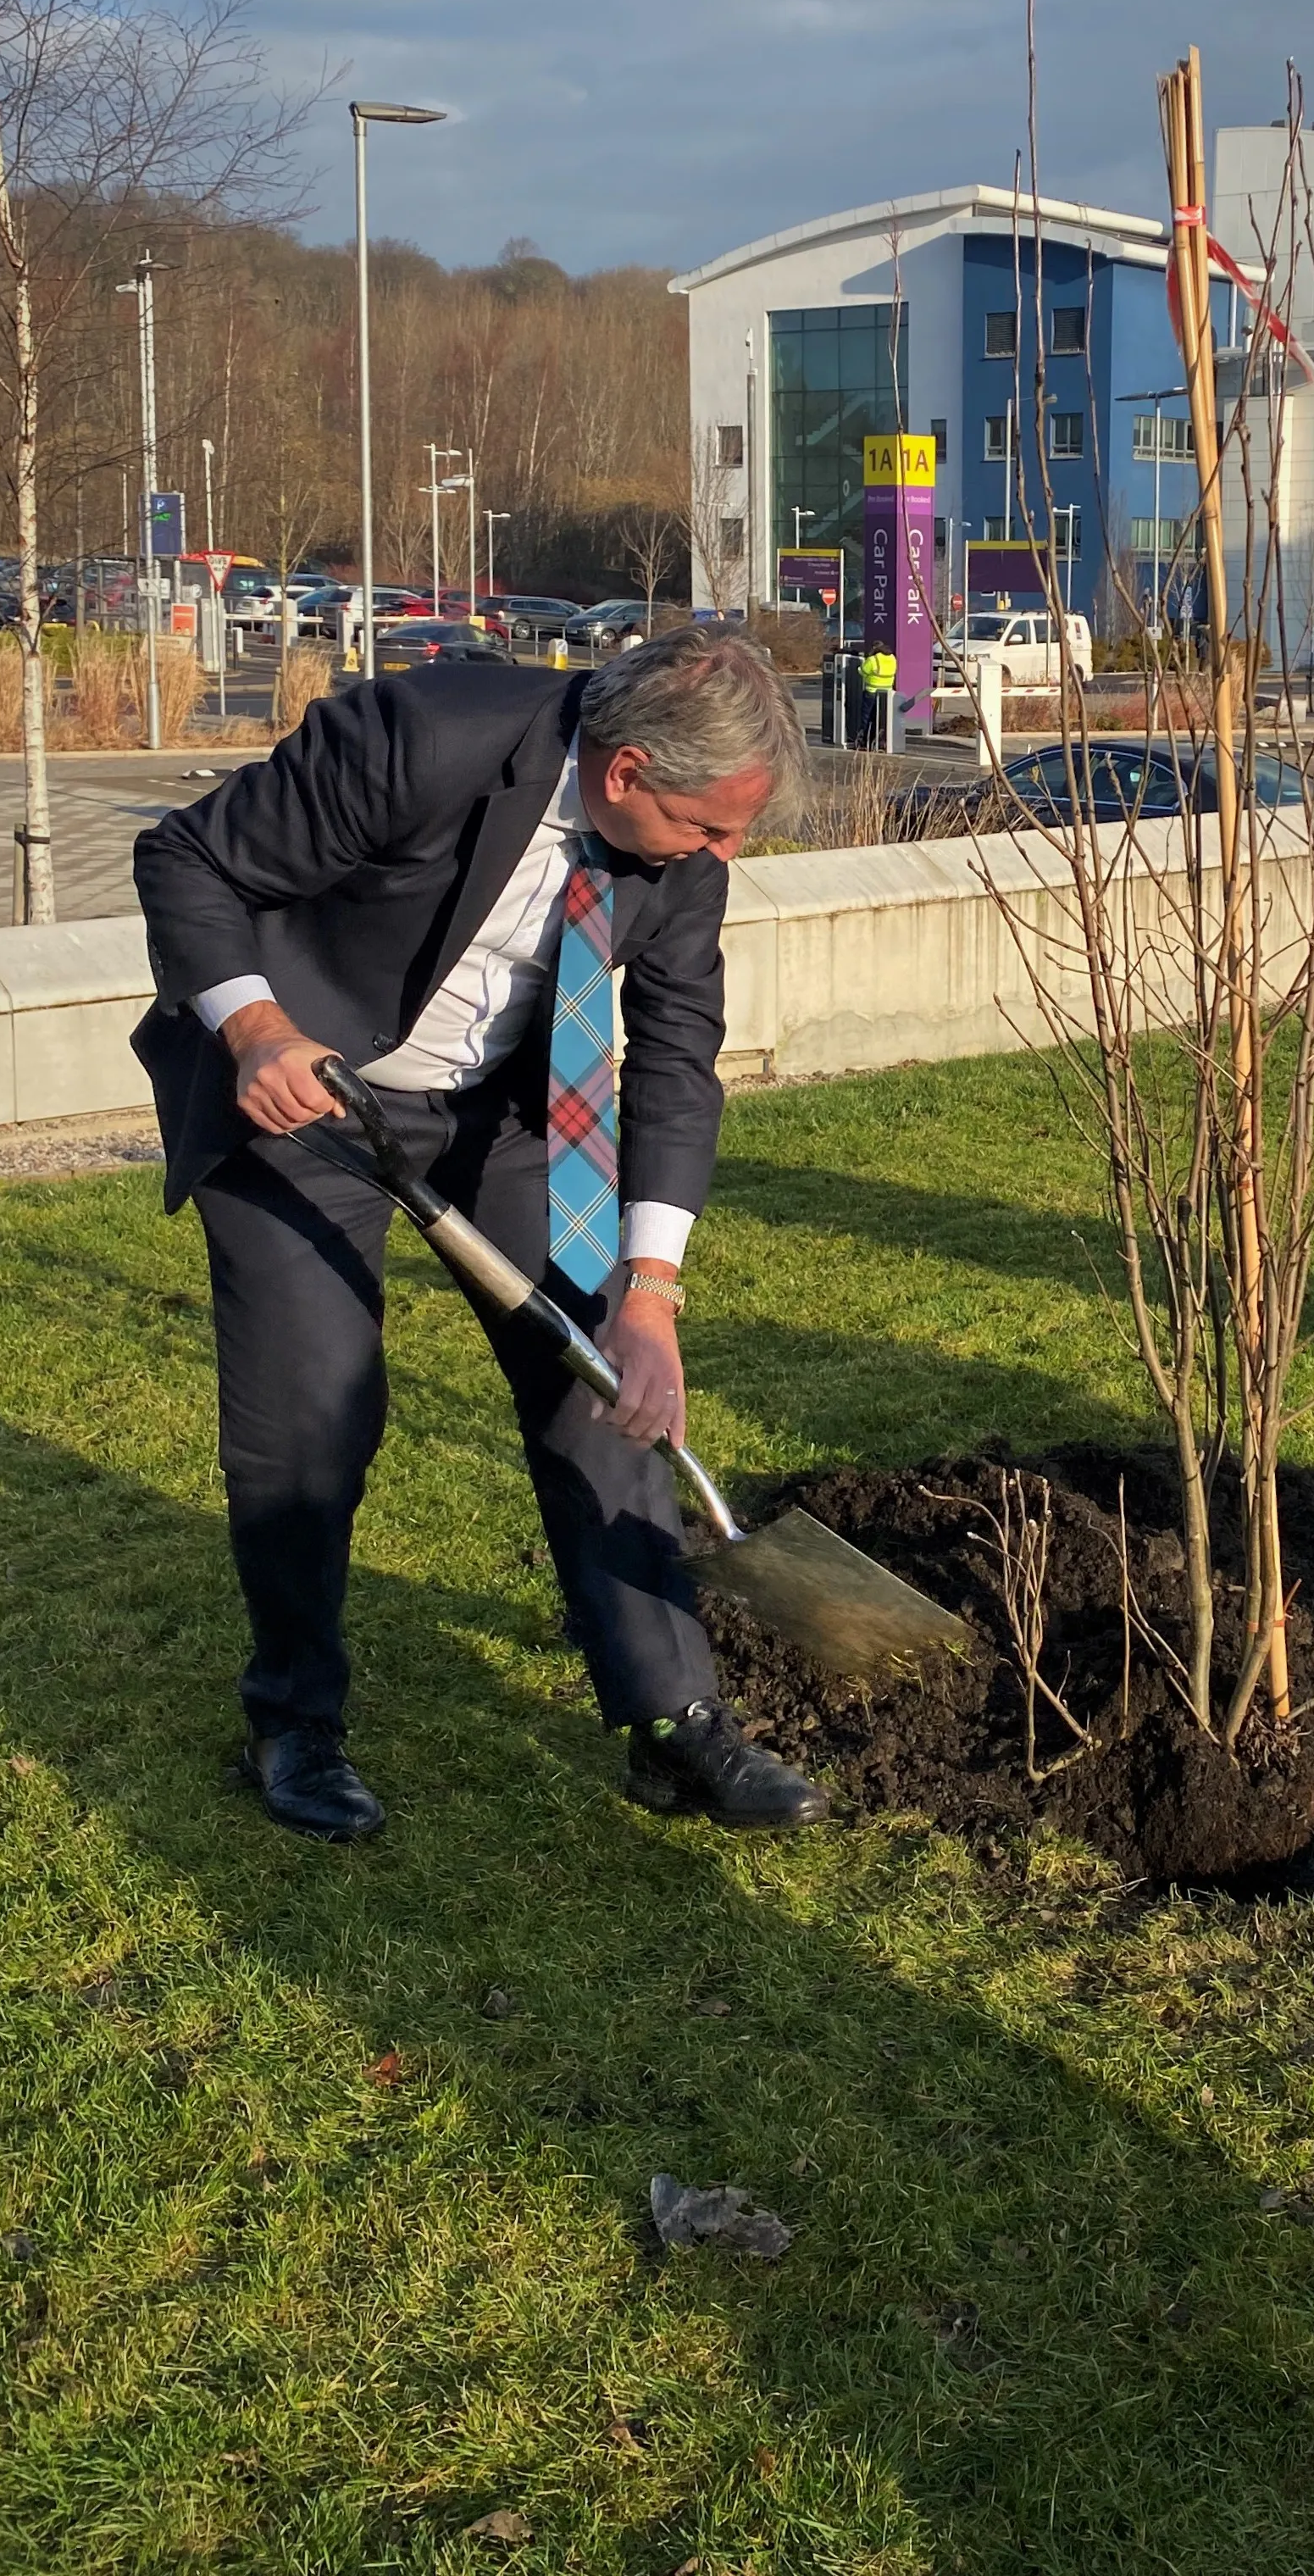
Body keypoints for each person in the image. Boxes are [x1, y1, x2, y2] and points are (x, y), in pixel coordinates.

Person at [130, 625, 829, 1842]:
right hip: (302, 1091)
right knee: (309, 1420)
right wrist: (254, 1031)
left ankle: (673, 1723)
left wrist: (649, 1291)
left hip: (507, 1112)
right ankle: (294, 1723)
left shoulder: (680, 852)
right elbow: (188, 861)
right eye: (709, 829)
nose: (722, 856)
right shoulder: (422, 739)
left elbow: (675, 1055)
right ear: (625, 773)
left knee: (600, 1381)